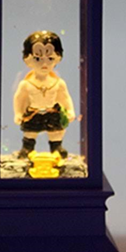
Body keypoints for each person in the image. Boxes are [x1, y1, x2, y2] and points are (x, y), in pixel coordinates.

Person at [12, 30, 76, 159]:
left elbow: (65, 98)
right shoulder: (26, 84)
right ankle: (27, 148)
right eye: (37, 59)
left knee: (56, 132)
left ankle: (56, 147)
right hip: (33, 112)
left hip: (52, 112)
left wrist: (70, 110)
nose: (44, 64)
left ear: (58, 58)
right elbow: (19, 99)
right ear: (28, 60)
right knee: (30, 132)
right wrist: (18, 113)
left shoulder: (58, 83)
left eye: (50, 58)